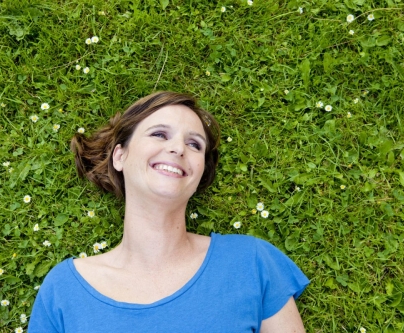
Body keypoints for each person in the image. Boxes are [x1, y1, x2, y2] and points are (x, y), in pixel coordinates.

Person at [28, 91, 309, 332]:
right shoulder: (63, 290)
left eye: (194, 144)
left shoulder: (252, 263)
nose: (177, 148)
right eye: (160, 134)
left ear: (200, 172)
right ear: (120, 155)